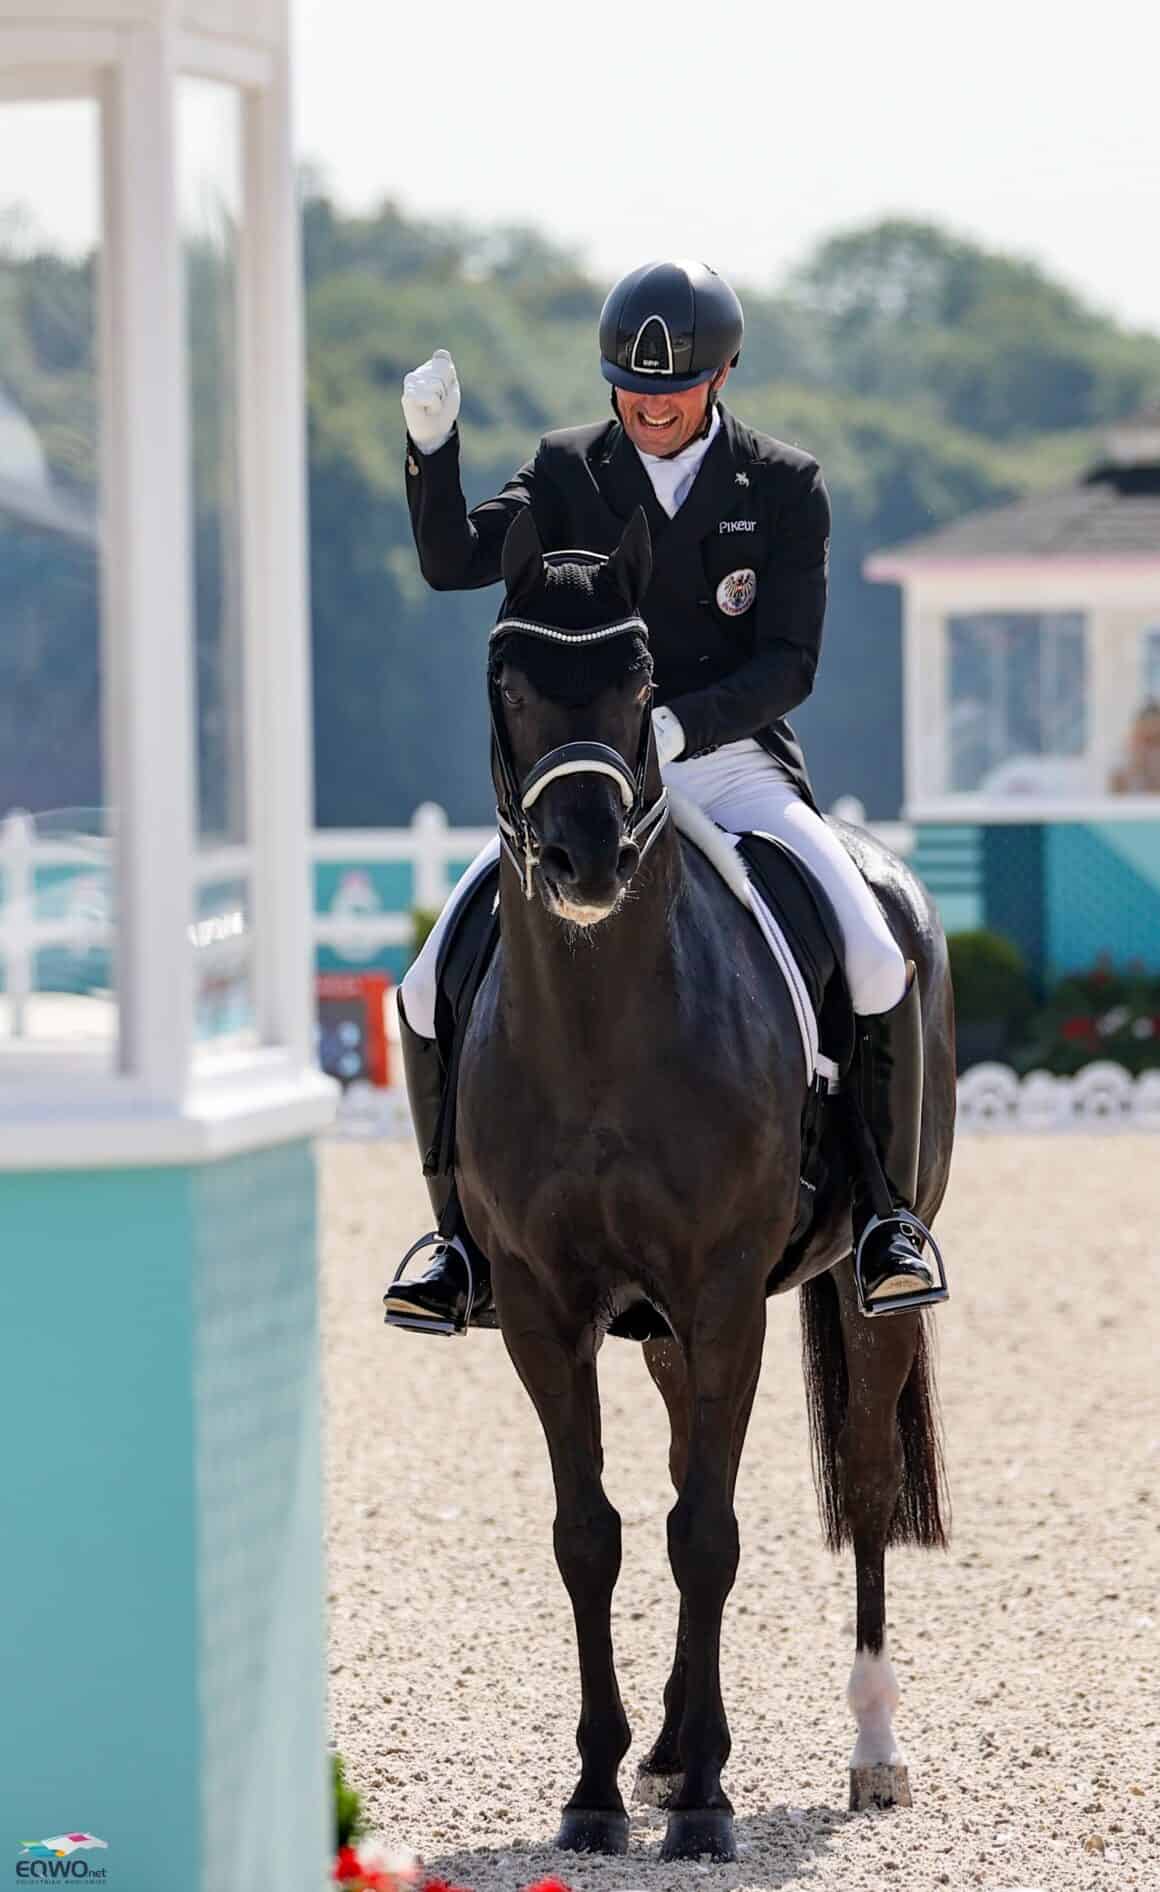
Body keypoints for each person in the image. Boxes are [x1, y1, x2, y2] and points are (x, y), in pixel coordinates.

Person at [385, 259, 942, 1336]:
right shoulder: (565, 472)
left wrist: (680, 726)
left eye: (673, 386)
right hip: (589, 773)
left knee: (873, 952)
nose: (649, 404)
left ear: (722, 371)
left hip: (727, 761)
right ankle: (457, 1240)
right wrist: (430, 449)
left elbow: (788, 660)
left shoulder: (781, 484)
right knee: (421, 984)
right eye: (630, 387)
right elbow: (455, 558)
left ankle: (883, 1216)